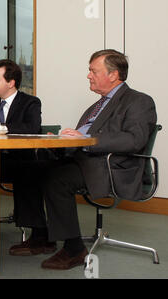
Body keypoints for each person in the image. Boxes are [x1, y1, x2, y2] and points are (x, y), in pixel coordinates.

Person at [9, 49, 157, 270]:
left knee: (57, 178)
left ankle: (74, 249)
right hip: (84, 161)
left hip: (111, 167)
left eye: (93, 71)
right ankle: (42, 235)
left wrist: (87, 137)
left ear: (113, 75)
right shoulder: (96, 105)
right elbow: (82, 141)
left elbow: (133, 140)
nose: (89, 75)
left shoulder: (139, 101)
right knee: (26, 170)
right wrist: (60, 142)